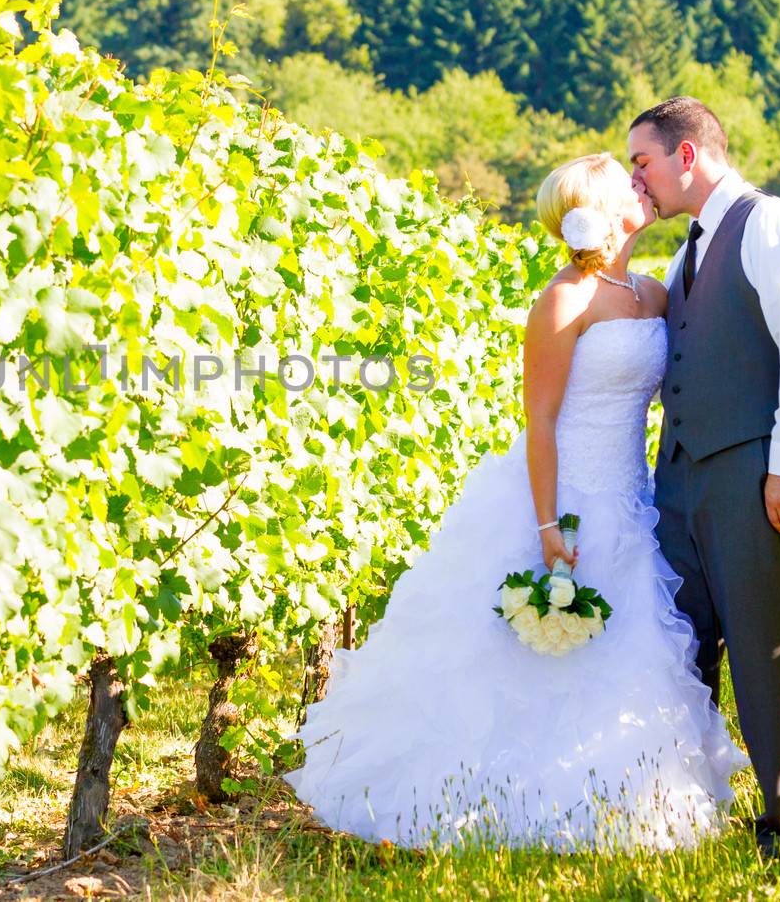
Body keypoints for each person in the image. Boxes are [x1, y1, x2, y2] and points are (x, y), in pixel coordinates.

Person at [284, 152, 749, 853]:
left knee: (630, 651)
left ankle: (630, 798)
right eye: (628, 183)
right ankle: (507, 802)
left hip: (634, 500)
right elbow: (540, 421)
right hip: (565, 499)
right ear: (599, 204)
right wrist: (547, 524)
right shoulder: (562, 300)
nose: (641, 187)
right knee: (531, 660)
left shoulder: (651, 293)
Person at [627, 96, 780, 868]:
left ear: (687, 155)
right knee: (686, 649)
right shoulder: (687, 250)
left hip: (750, 473)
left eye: (642, 162)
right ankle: (693, 805)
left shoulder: (769, 223)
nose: (636, 180)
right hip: (678, 478)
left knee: (760, 645)